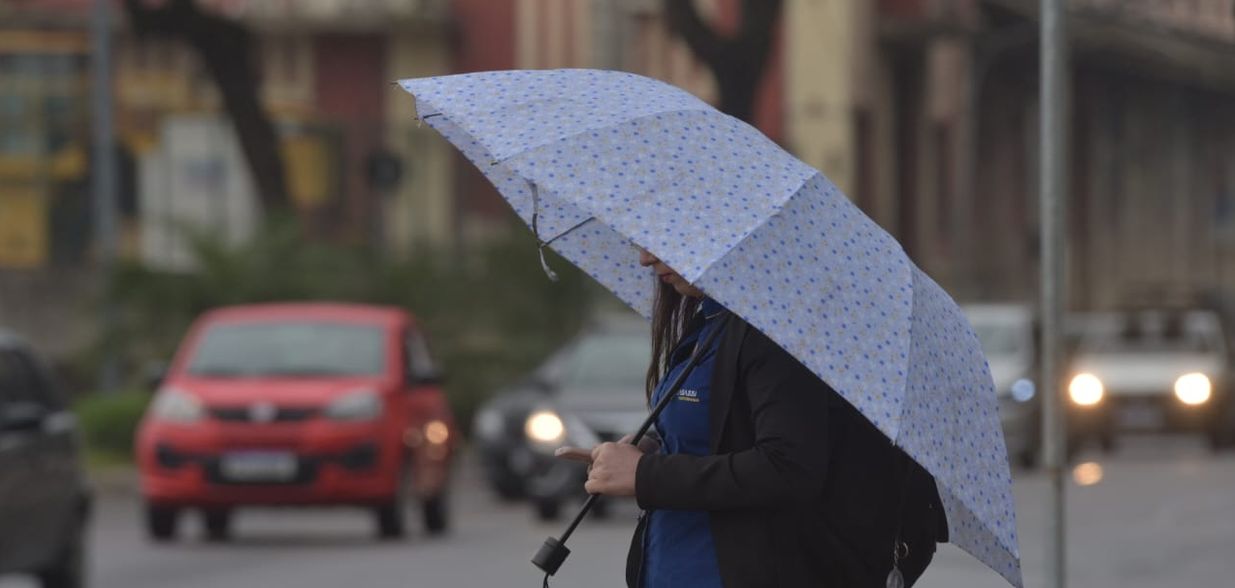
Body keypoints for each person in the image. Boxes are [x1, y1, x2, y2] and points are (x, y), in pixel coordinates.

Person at [555, 248, 948, 587]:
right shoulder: (712, 322)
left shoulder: (774, 335)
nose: (644, 258)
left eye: (657, 241)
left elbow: (789, 466)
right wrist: (651, 450)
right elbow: (727, 430)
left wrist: (645, 475)